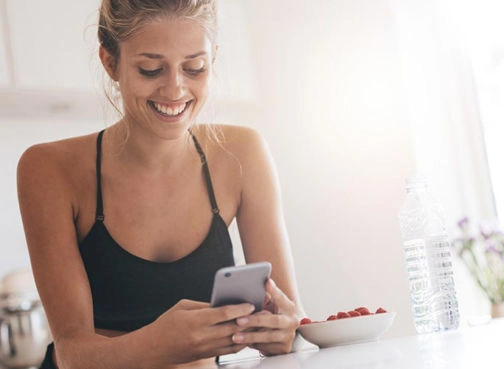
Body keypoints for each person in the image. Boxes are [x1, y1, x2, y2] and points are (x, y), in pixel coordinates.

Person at [16, 1, 303, 368]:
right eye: (151, 69)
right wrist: (156, 345)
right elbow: (72, 353)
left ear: (213, 59)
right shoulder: (49, 169)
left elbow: (290, 321)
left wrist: (280, 332)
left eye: (194, 67)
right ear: (110, 63)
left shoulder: (242, 153)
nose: (175, 89)